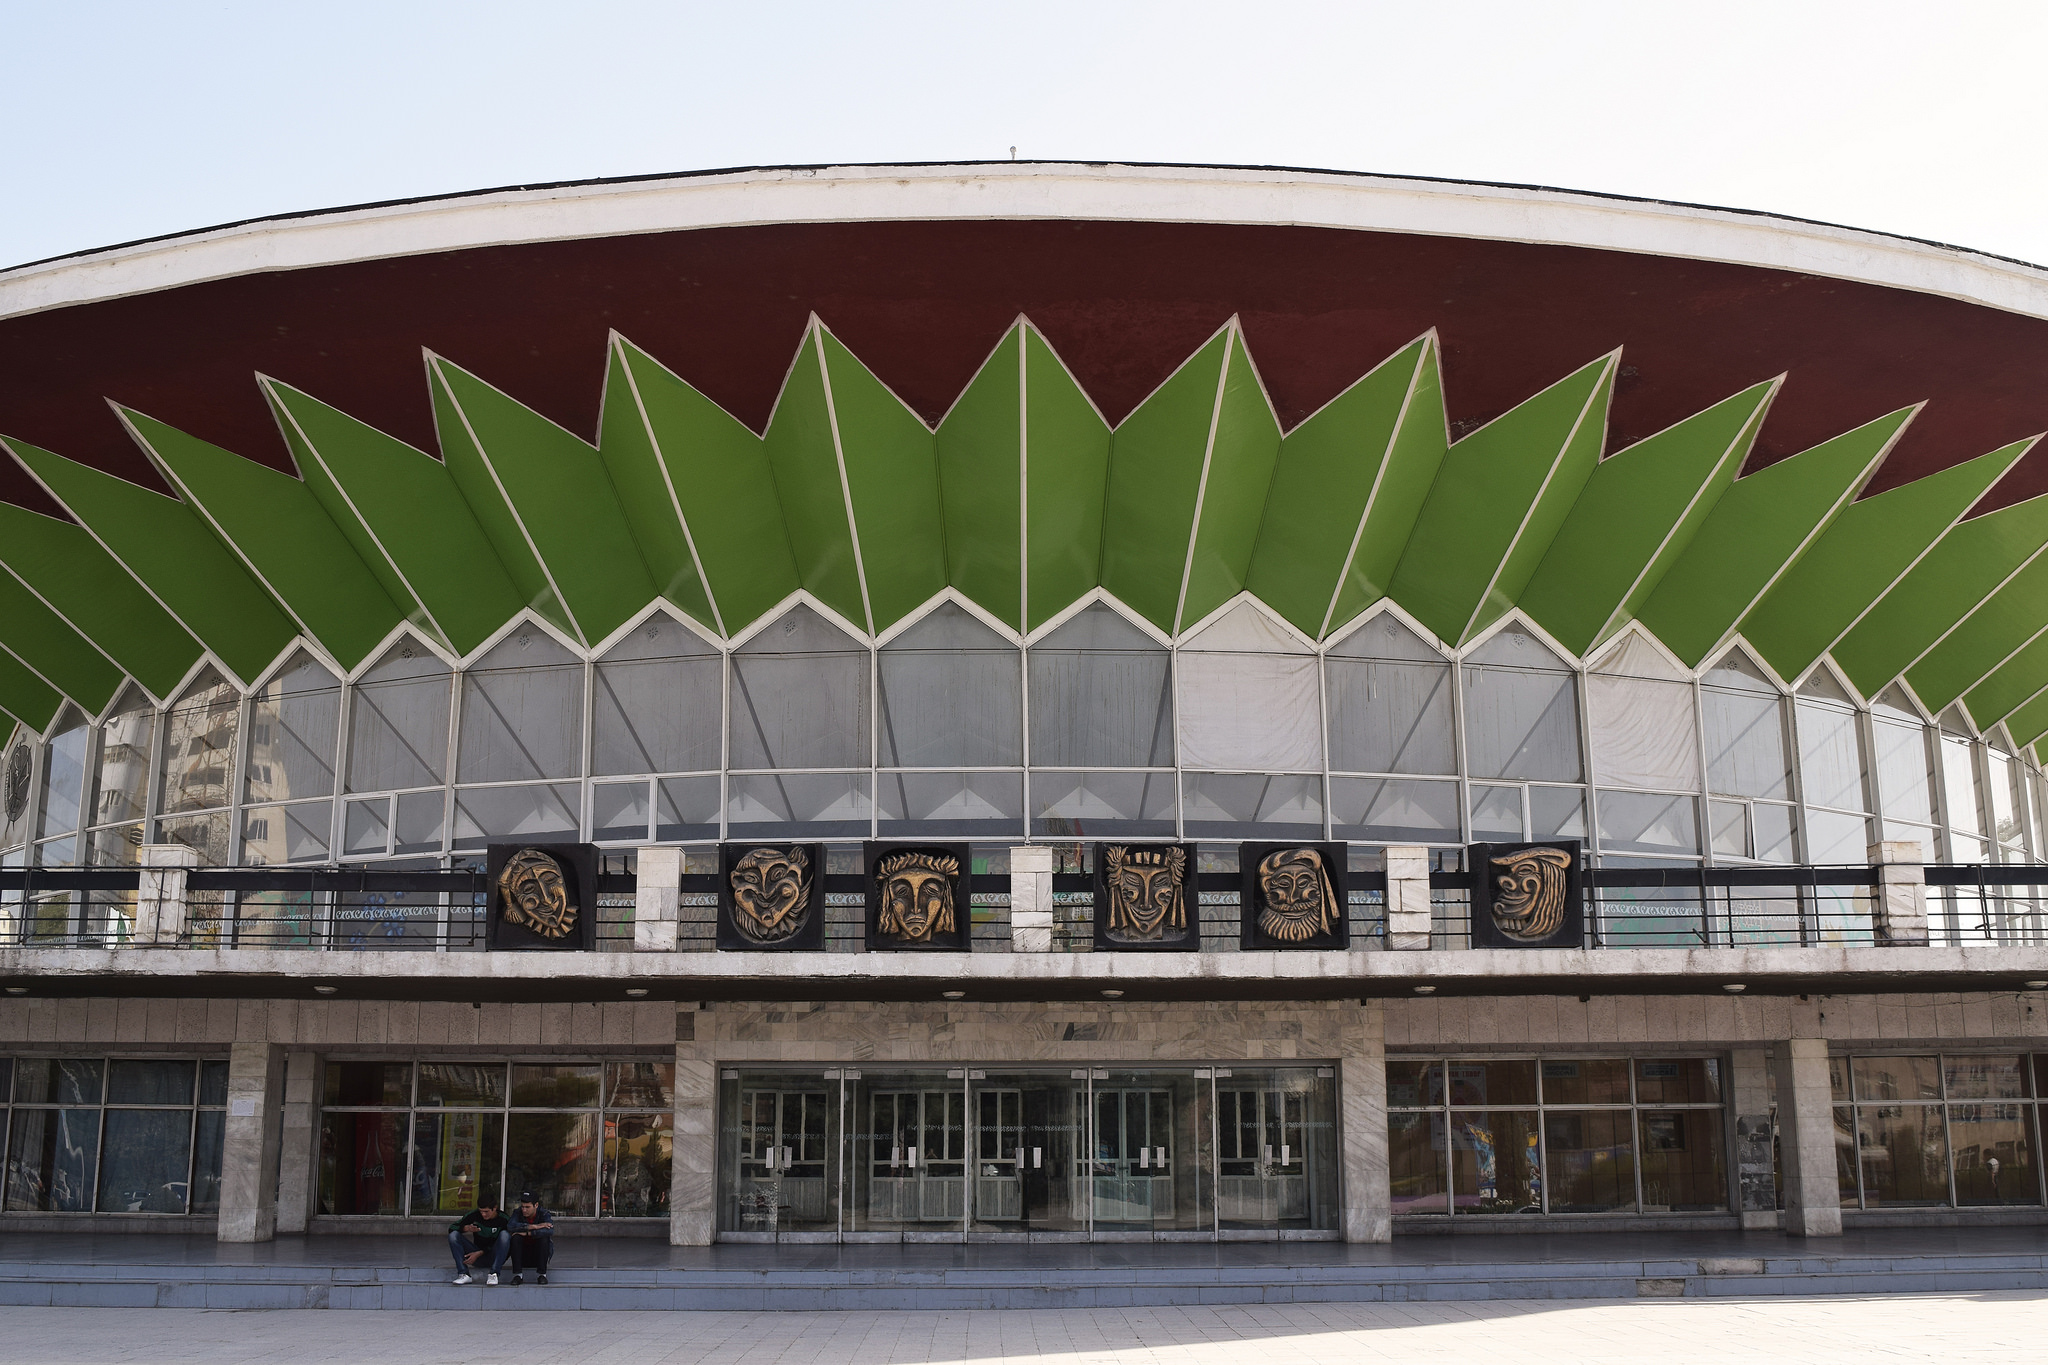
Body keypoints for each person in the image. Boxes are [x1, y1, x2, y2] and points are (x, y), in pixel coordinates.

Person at [447, 1200, 510, 1285]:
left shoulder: (503, 1219)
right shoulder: (474, 1215)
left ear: (494, 1208)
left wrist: (480, 1252)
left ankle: (494, 1274)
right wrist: (466, 1228)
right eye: (481, 1211)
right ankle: (463, 1273)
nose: (483, 1214)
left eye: (486, 1212)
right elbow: (452, 1228)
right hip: (476, 1255)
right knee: (453, 1235)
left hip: (495, 1256)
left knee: (505, 1235)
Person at [508, 1190, 556, 1285]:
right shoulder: (518, 1212)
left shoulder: (544, 1213)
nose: (524, 1210)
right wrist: (534, 1226)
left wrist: (528, 1233)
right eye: (522, 1207)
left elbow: (550, 1230)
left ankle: (542, 1275)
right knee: (516, 1237)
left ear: (536, 1205)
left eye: (527, 1207)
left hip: (538, 1254)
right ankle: (518, 1275)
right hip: (522, 1254)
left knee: (544, 1238)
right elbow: (510, 1226)